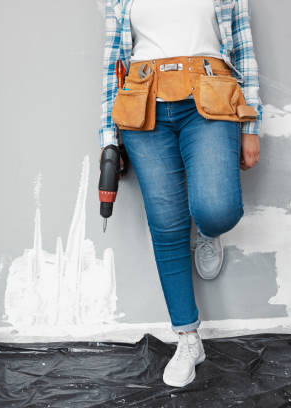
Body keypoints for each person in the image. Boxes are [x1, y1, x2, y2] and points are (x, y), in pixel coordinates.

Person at [98, 0, 262, 387]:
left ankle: (207, 229)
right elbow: (111, 66)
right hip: (142, 102)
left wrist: (252, 122)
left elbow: (244, 50)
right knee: (166, 226)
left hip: (210, 94)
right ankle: (188, 340)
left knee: (217, 208)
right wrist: (109, 138)